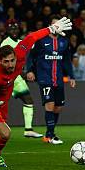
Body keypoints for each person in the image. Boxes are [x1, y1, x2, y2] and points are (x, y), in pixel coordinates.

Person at [0, 18, 72, 167]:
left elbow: (31, 37)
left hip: (2, 100)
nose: (11, 65)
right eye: (6, 62)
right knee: (5, 133)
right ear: (0, 61)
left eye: (12, 60)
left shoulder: (20, 52)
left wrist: (51, 29)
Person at [27, 17, 76, 145]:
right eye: (54, 24)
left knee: (58, 107)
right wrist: (30, 70)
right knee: (50, 104)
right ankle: (49, 136)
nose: (57, 27)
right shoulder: (41, 40)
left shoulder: (64, 42)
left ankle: (51, 133)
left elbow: (66, 60)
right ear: (50, 25)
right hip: (44, 78)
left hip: (58, 79)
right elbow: (31, 56)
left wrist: (71, 76)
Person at [0, 20, 44, 138]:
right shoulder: (6, 43)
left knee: (25, 101)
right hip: (11, 77)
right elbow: (6, 63)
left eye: (16, 28)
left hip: (18, 76)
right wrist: (24, 74)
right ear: (7, 31)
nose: (14, 31)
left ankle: (28, 130)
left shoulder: (20, 42)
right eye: (11, 29)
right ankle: (25, 129)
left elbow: (33, 46)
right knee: (25, 100)